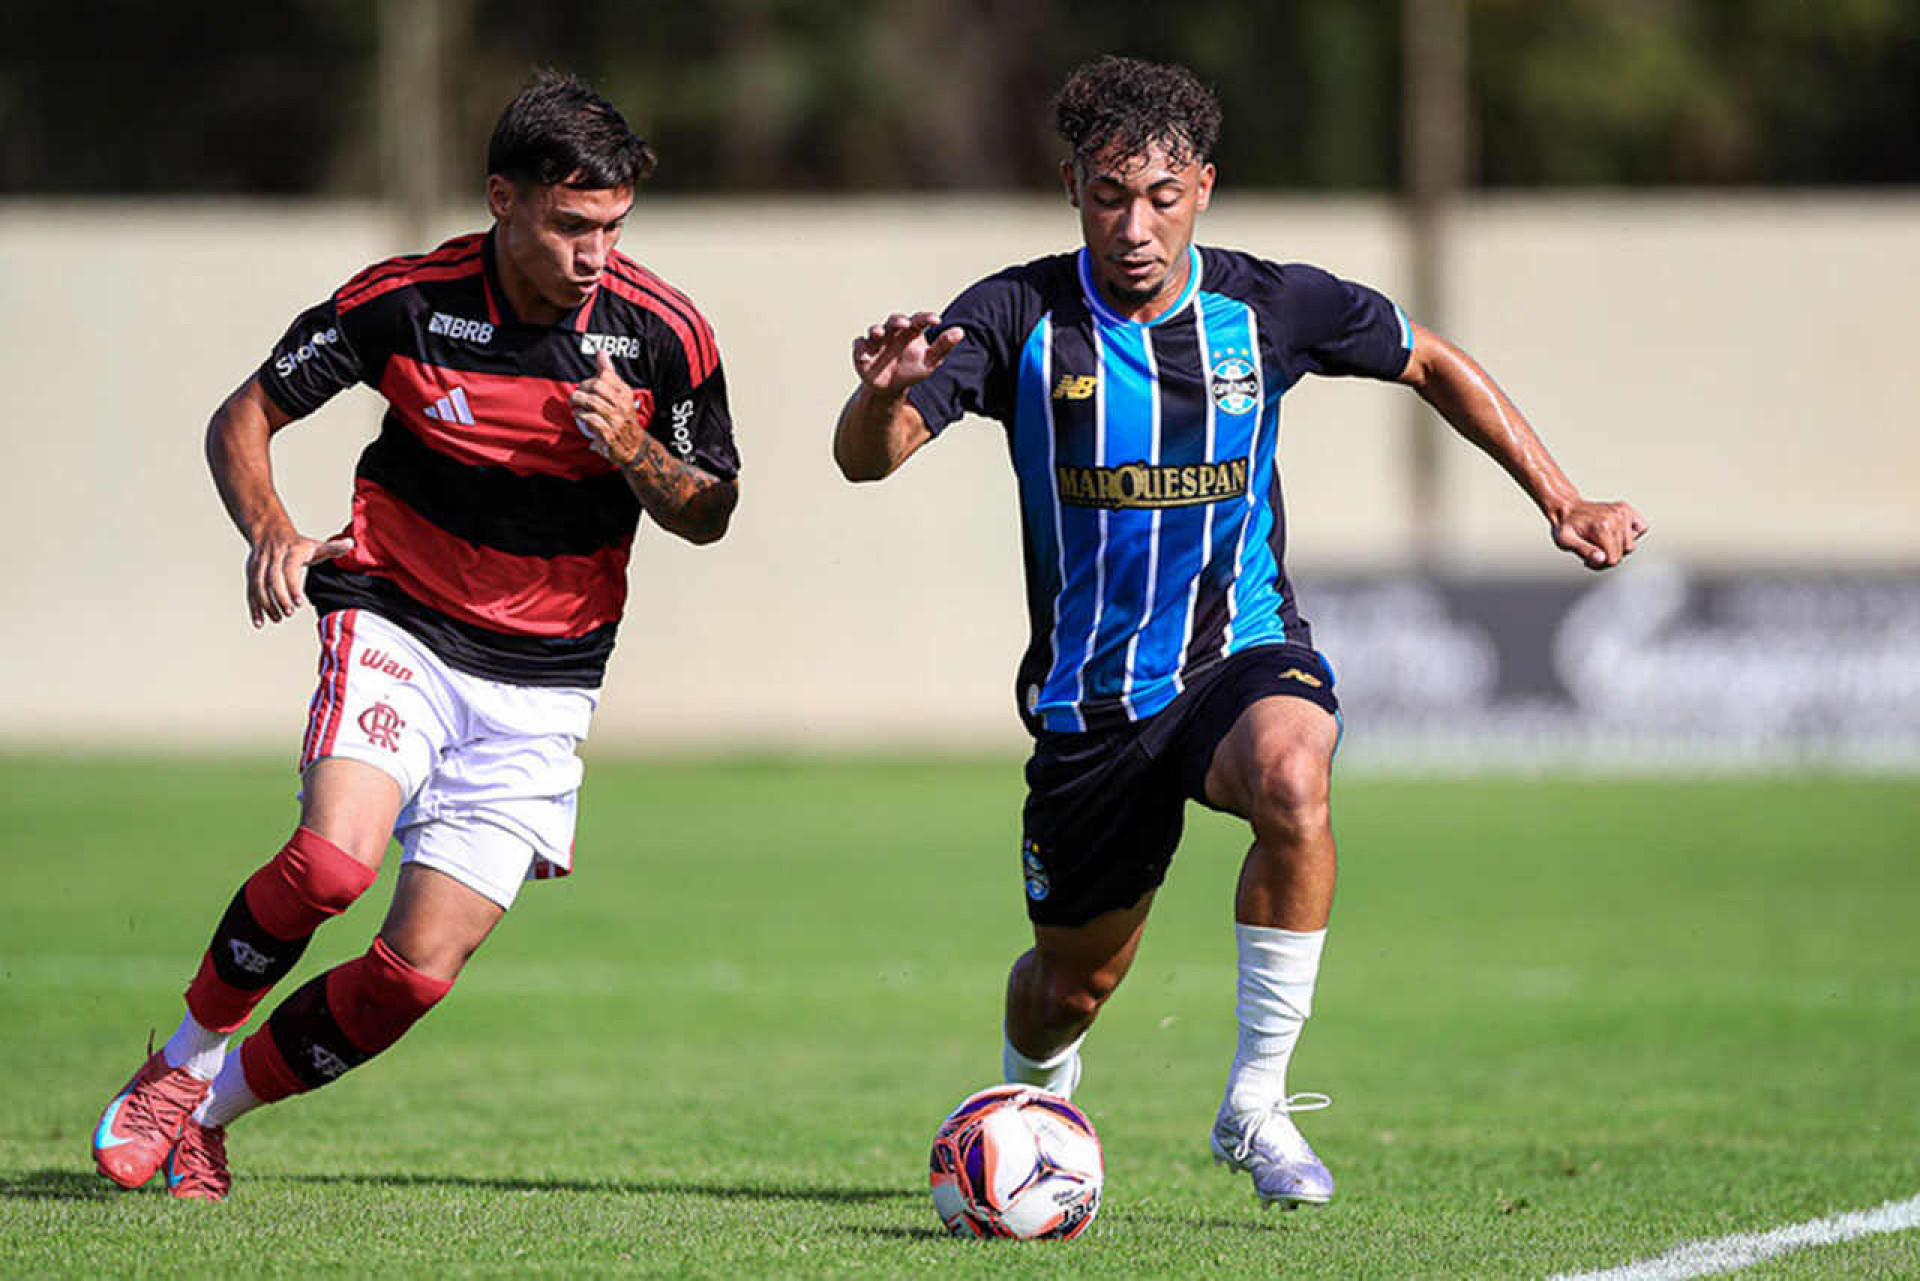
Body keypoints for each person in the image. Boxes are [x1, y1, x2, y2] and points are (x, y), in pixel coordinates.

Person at [833, 55, 1644, 1209]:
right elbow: (872, 458)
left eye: (1162, 196)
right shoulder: (1015, 315)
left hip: (1236, 654)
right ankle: (1028, 1109)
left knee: (1294, 774)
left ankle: (1257, 1104)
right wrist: (878, 393)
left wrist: (1561, 498)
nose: (1136, 225)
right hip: (1091, 707)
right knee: (1068, 986)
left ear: (1204, 187)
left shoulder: (1271, 305)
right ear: (1072, 189)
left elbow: (1431, 359)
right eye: (1111, 196)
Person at [91, 72, 740, 1201]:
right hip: (401, 618)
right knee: (333, 862)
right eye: (573, 225)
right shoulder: (405, 300)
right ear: (504, 198)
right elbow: (243, 415)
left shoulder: (661, 334)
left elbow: (711, 511)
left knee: (412, 977)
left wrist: (633, 448)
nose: (597, 254)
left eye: (616, 228)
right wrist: (273, 530)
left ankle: (211, 1112)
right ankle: (176, 1065)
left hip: (545, 680)